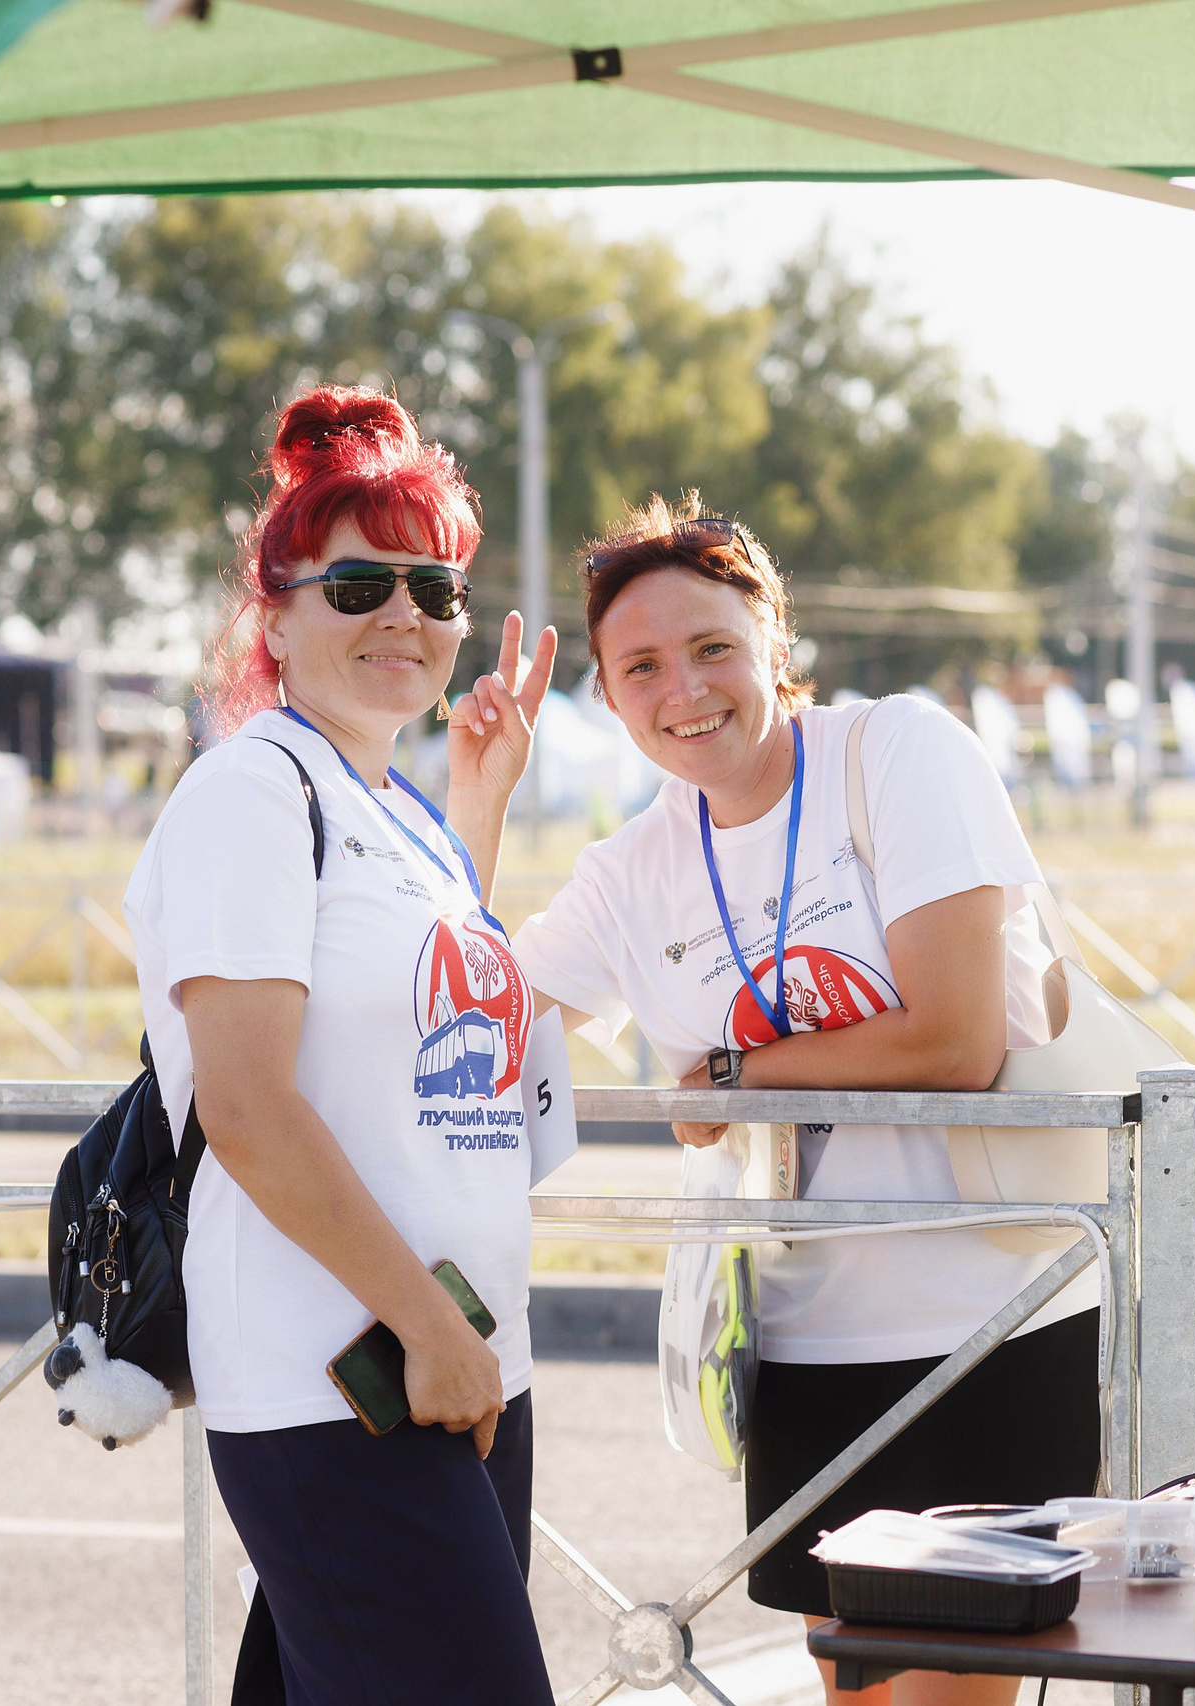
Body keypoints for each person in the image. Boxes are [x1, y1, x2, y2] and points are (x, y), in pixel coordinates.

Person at [495, 494, 1097, 1706]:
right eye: (642, 666)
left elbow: (956, 1038)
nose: (685, 689)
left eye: (713, 646)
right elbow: (470, 1023)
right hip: (803, 1339)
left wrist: (736, 1074)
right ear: (608, 698)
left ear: (775, 639)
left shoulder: (897, 752)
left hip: (992, 1316)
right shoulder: (633, 869)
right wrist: (482, 794)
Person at [125, 386, 557, 1706]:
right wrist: (427, 1325)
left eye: (436, 588)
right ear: (277, 611)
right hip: (349, 1373)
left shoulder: (404, 811)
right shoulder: (254, 791)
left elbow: (425, 1014)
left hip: (464, 1358)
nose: (405, 618)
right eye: (359, 583)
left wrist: (477, 810)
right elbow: (250, 1107)